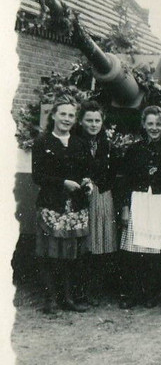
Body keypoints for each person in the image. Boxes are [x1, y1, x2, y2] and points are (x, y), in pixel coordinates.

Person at [32, 97, 92, 314]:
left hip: (74, 207)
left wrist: (87, 182)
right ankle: (50, 300)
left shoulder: (79, 143)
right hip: (52, 205)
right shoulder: (42, 142)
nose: (67, 119)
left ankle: (67, 298)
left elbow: (86, 171)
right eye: (63, 114)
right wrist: (62, 183)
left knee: (70, 256)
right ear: (54, 116)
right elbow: (37, 176)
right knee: (50, 254)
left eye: (71, 115)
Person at [118, 106, 161, 308]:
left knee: (159, 252)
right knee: (136, 252)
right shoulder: (133, 150)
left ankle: (154, 295)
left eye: (158, 124)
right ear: (144, 125)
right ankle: (134, 293)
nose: (154, 128)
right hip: (139, 201)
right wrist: (125, 207)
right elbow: (126, 181)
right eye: (150, 124)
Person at [75, 101, 120, 303]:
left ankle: (95, 288)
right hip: (81, 196)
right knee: (84, 244)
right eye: (89, 120)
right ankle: (80, 289)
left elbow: (111, 171)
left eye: (97, 120)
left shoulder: (105, 144)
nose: (93, 124)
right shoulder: (74, 141)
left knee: (100, 243)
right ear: (81, 121)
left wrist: (101, 186)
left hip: (102, 195)